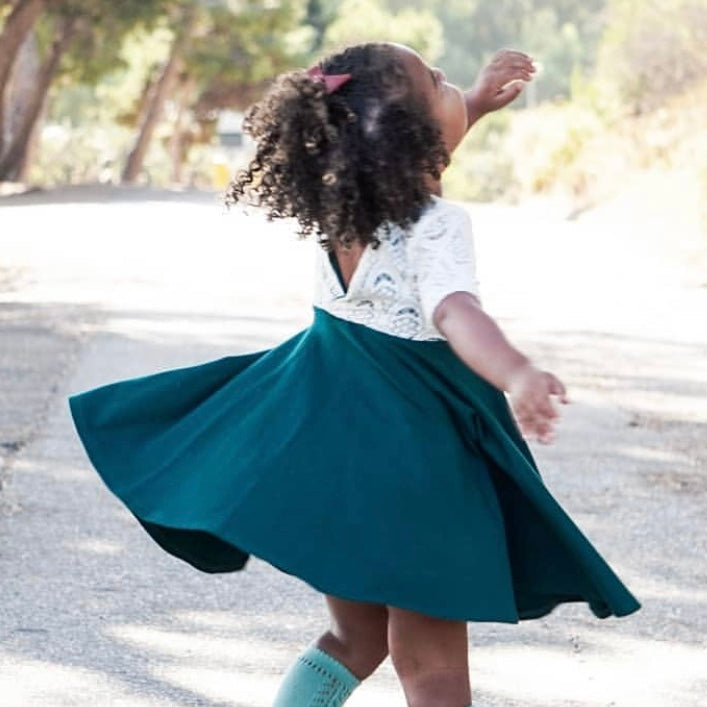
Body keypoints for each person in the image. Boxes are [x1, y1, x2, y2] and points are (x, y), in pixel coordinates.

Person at [69, 42, 640, 707]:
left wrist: (475, 103)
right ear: (406, 136)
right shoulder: (437, 224)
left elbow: (413, 164)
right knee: (430, 667)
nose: (453, 83)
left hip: (336, 463)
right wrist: (513, 371)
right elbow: (453, 310)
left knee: (353, 638)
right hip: (413, 469)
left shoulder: (343, 210)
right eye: (439, 82)